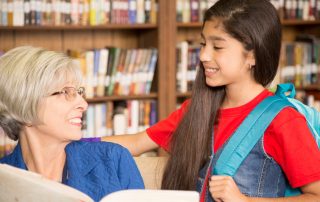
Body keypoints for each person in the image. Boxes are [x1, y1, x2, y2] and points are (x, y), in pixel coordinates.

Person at [101, 0, 320, 201]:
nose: (204, 55)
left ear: (252, 55)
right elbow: (137, 142)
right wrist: (73, 144)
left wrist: (246, 201)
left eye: (217, 47)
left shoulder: (283, 120)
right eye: (203, 44)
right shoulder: (196, 110)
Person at [0, 46, 144, 201]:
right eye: (65, 92)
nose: (83, 104)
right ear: (25, 105)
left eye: (79, 92)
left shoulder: (114, 159)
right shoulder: (3, 180)